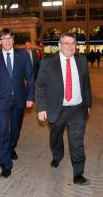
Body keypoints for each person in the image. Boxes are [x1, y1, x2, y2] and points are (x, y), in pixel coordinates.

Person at [36, 32, 92, 185]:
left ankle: (78, 174)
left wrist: (88, 105)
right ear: (59, 46)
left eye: (73, 43)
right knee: (56, 136)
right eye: (66, 43)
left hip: (77, 109)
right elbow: (40, 86)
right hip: (56, 109)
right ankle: (57, 155)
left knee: (77, 142)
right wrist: (41, 108)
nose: (70, 46)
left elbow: (86, 85)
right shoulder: (47, 62)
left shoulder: (82, 60)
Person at [0, 28, 35, 178]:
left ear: (13, 40)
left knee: (15, 129)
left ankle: (11, 146)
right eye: (4, 39)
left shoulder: (23, 55)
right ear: (0, 42)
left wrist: (30, 97)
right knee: (3, 132)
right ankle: (5, 164)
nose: (7, 41)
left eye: (9, 38)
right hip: (0, 100)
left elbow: (30, 77)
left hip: (19, 99)